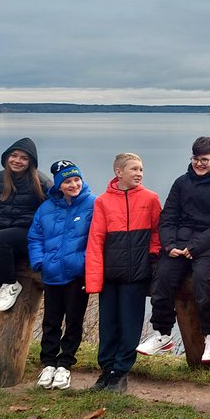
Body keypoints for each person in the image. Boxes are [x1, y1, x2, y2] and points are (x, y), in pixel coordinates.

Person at [139, 136, 210, 364]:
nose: (199, 164)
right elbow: (168, 217)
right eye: (195, 159)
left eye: (204, 159)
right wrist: (170, 245)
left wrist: (194, 247)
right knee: (162, 278)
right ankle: (162, 334)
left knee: (204, 281)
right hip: (179, 243)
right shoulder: (181, 183)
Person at [85, 152, 161, 393]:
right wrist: (94, 280)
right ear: (119, 172)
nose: (139, 173)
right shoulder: (103, 202)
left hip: (136, 276)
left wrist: (152, 257)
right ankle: (106, 370)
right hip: (110, 276)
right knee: (108, 325)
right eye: (134, 169)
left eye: (141, 169)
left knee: (130, 326)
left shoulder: (150, 199)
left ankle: (121, 372)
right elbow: (95, 240)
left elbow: (158, 234)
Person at [27, 160, 96, 390]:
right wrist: (39, 261)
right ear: (59, 184)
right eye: (67, 181)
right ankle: (48, 362)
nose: (74, 184)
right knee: (51, 320)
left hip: (77, 275)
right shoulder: (46, 208)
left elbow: (97, 237)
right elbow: (35, 237)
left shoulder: (93, 204)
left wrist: (85, 262)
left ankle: (65, 363)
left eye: (76, 179)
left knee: (74, 321)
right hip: (52, 273)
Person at [0, 137, 50, 345]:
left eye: (23, 158)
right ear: (7, 157)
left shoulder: (41, 182)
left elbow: (51, 213)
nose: (17, 160)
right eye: (14, 155)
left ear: (31, 162)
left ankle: (11, 284)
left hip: (26, 236)